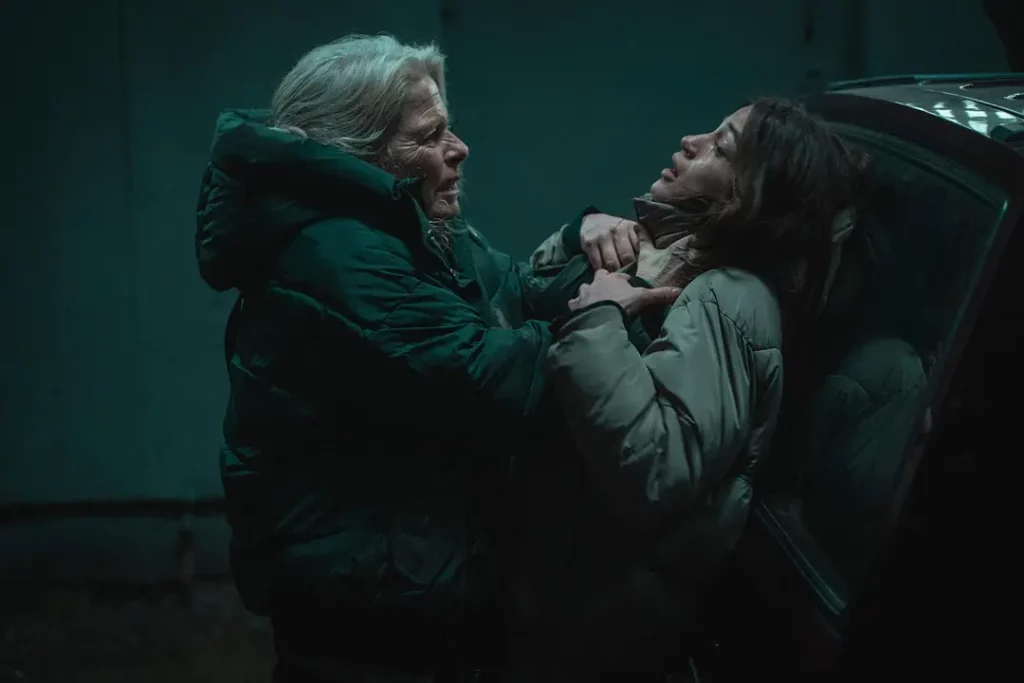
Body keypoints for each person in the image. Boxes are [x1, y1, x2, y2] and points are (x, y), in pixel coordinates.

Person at [193, 34, 649, 683]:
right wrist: (606, 314)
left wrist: (583, 239)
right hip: (367, 626)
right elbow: (492, 378)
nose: (459, 149)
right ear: (358, 154)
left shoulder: (404, 226)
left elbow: (508, 292)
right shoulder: (337, 256)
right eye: (430, 136)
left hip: (406, 591)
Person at [506, 98, 868, 679]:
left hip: (592, 629)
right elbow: (520, 304)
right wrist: (580, 233)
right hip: (553, 591)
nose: (690, 141)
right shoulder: (666, 249)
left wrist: (598, 321)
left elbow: (658, 467)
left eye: (720, 147)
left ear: (748, 197)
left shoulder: (730, 299)